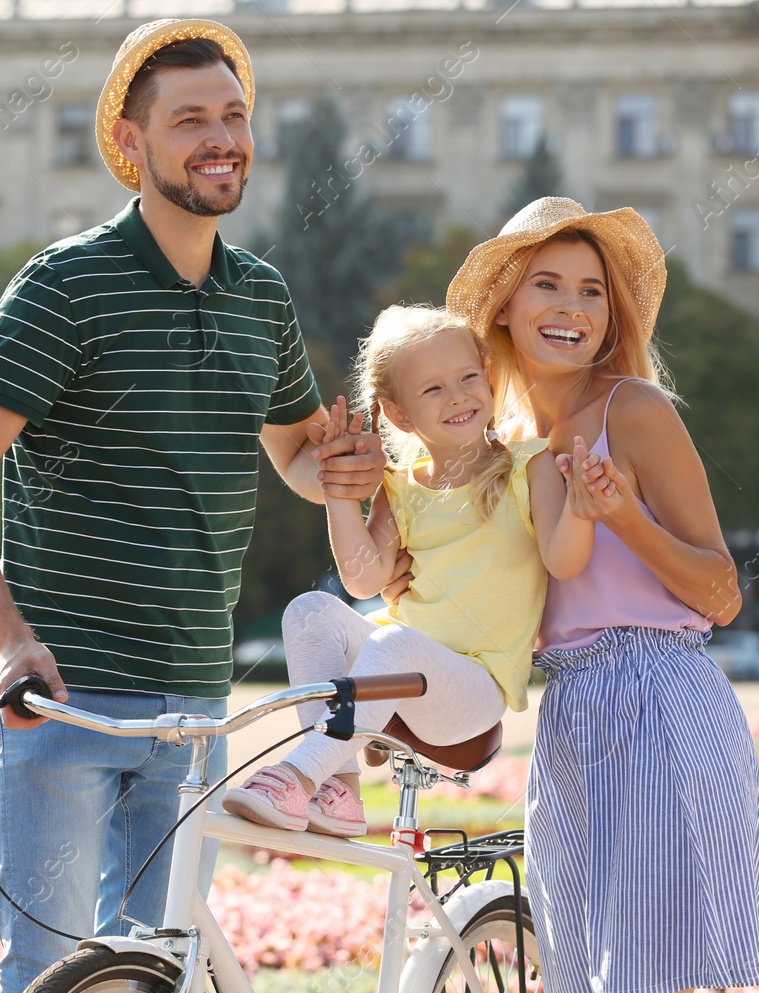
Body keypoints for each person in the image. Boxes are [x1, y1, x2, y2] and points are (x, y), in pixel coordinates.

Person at [0, 19, 385, 993]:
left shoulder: (260, 294)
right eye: (190, 121)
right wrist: (5, 635)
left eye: (233, 116)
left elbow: (299, 455)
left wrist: (337, 470)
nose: (221, 139)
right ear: (133, 144)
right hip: (67, 705)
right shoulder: (65, 284)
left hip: (193, 713)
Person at [447, 197, 759, 993]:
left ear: (611, 317)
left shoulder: (634, 411)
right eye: (546, 285)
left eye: (591, 291)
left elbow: (722, 591)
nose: (571, 308)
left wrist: (626, 517)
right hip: (571, 724)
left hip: (660, 705)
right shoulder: (505, 444)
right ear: (506, 309)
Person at [223, 305, 596, 836]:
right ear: (398, 415)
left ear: (489, 380)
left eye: (469, 378)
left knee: (396, 644)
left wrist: (582, 506)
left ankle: (300, 774)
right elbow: (362, 581)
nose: (459, 396)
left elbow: (564, 560)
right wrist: (338, 491)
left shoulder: (528, 465)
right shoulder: (400, 486)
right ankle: (339, 790)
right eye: (433, 389)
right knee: (309, 611)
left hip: (472, 691)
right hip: (402, 674)